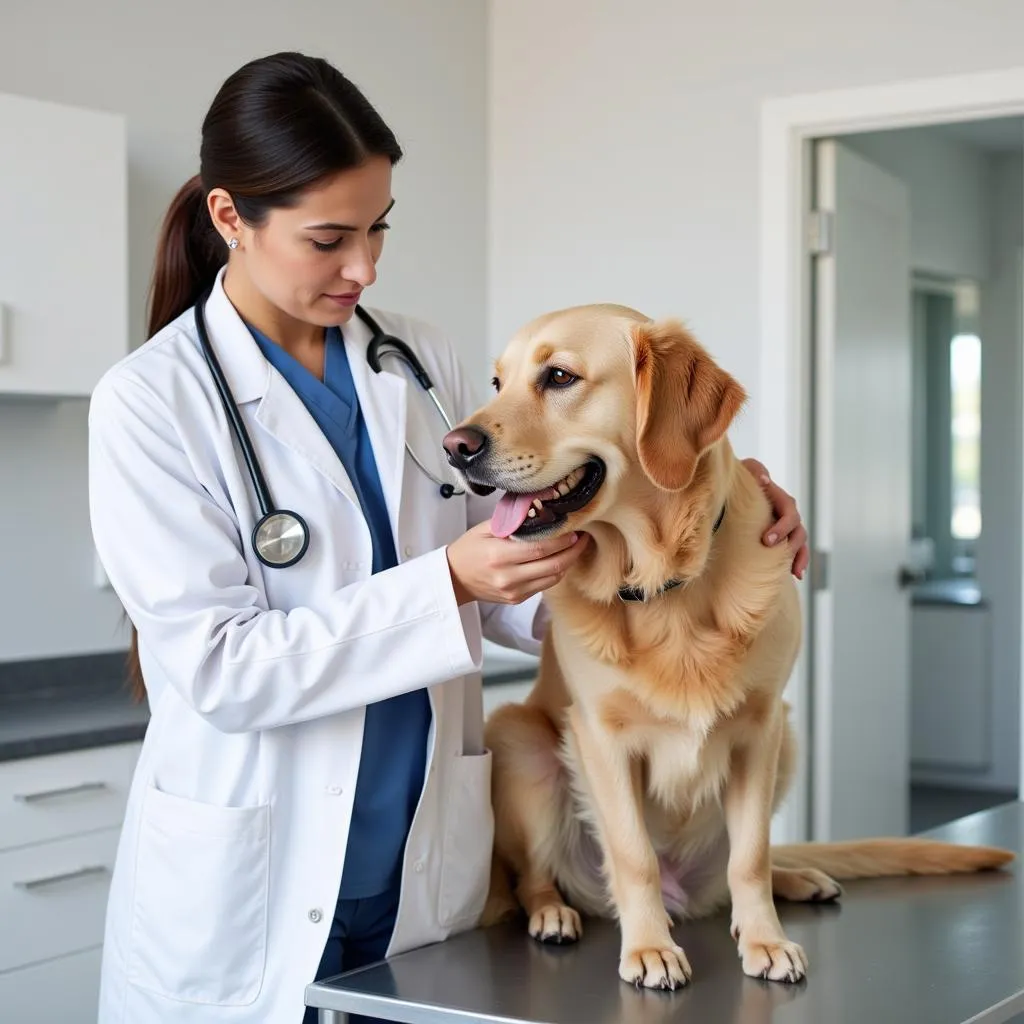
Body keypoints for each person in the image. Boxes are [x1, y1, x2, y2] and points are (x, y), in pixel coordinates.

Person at [87, 51, 810, 1024]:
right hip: (245, 887)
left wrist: (704, 542)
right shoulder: (147, 403)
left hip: (423, 871)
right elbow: (223, 671)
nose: (365, 268)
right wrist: (450, 585)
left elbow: (524, 569)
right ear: (230, 220)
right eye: (329, 238)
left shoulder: (415, 357)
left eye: (379, 228)